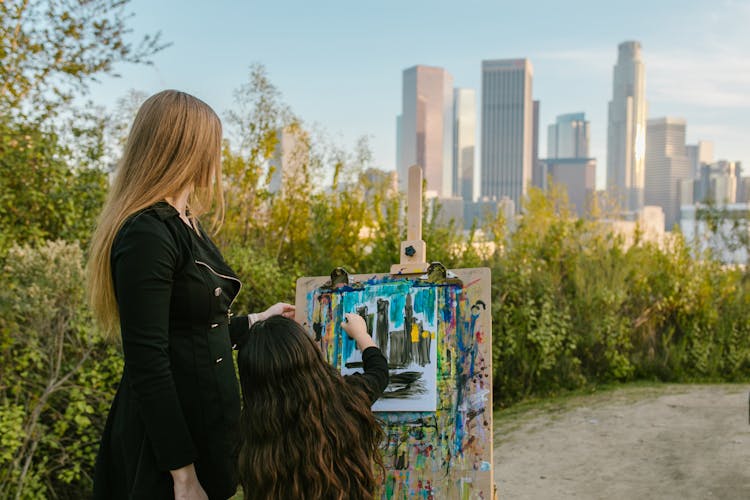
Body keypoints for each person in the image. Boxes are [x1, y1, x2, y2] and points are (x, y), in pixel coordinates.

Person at [86, 89, 294, 500]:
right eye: (211, 145)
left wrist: (255, 322)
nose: (216, 157)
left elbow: (194, 334)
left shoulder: (187, 222)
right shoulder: (148, 232)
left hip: (207, 429)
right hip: (165, 450)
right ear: (184, 148)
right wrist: (182, 475)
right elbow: (148, 361)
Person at [236, 313, 388, 500]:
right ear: (309, 353)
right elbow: (379, 371)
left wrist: (256, 318)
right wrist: (361, 335)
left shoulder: (252, 429)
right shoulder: (346, 399)